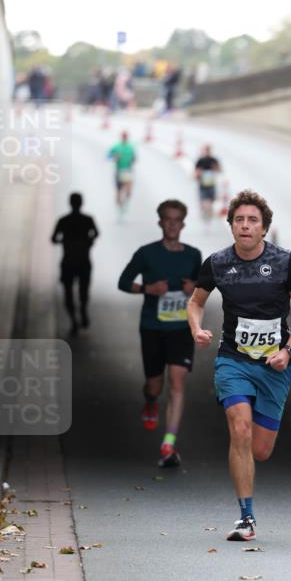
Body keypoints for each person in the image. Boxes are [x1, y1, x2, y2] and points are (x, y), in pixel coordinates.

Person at [188, 190, 291, 540]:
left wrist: (287, 350)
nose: (245, 226)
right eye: (239, 220)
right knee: (239, 428)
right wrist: (196, 328)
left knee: (261, 449)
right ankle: (246, 517)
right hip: (234, 360)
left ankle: (247, 511)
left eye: (252, 220)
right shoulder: (217, 263)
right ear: (230, 227)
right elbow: (195, 302)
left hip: (275, 366)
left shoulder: (285, 262)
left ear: (264, 228)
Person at [118, 200, 202, 468]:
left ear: (183, 224)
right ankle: (151, 401)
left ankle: (168, 444)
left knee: (177, 383)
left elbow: (203, 289)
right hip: (153, 328)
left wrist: (194, 288)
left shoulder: (193, 255)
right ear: (160, 222)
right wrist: (148, 289)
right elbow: (123, 282)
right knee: (155, 386)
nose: (172, 224)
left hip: (180, 329)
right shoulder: (146, 253)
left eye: (177, 219)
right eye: (167, 219)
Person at [51, 193, 99, 336]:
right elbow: (96, 233)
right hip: (84, 261)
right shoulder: (88, 220)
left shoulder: (63, 221)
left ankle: (73, 321)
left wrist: (66, 242)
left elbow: (53, 239)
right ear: (81, 203)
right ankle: (83, 309)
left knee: (68, 293)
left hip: (68, 262)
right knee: (84, 291)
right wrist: (87, 242)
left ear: (70, 203)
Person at [107, 130, 136, 215]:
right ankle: (119, 207)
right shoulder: (116, 146)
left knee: (129, 190)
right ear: (121, 137)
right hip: (119, 171)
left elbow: (134, 158)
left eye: (126, 136)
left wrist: (132, 160)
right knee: (119, 191)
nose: (124, 137)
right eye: (123, 136)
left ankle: (125, 201)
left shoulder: (131, 147)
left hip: (128, 171)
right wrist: (114, 156)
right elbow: (107, 156)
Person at [193, 144, 221, 223]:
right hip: (203, 184)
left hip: (212, 184)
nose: (207, 152)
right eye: (206, 150)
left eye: (208, 150)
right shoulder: (200, 161)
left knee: (211, 200)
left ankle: (207, 212)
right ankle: (205, 212)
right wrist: (198, 174)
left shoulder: (213, 160)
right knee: (204, 201)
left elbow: (219, 169)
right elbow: (196, 172)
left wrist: (215, 168)